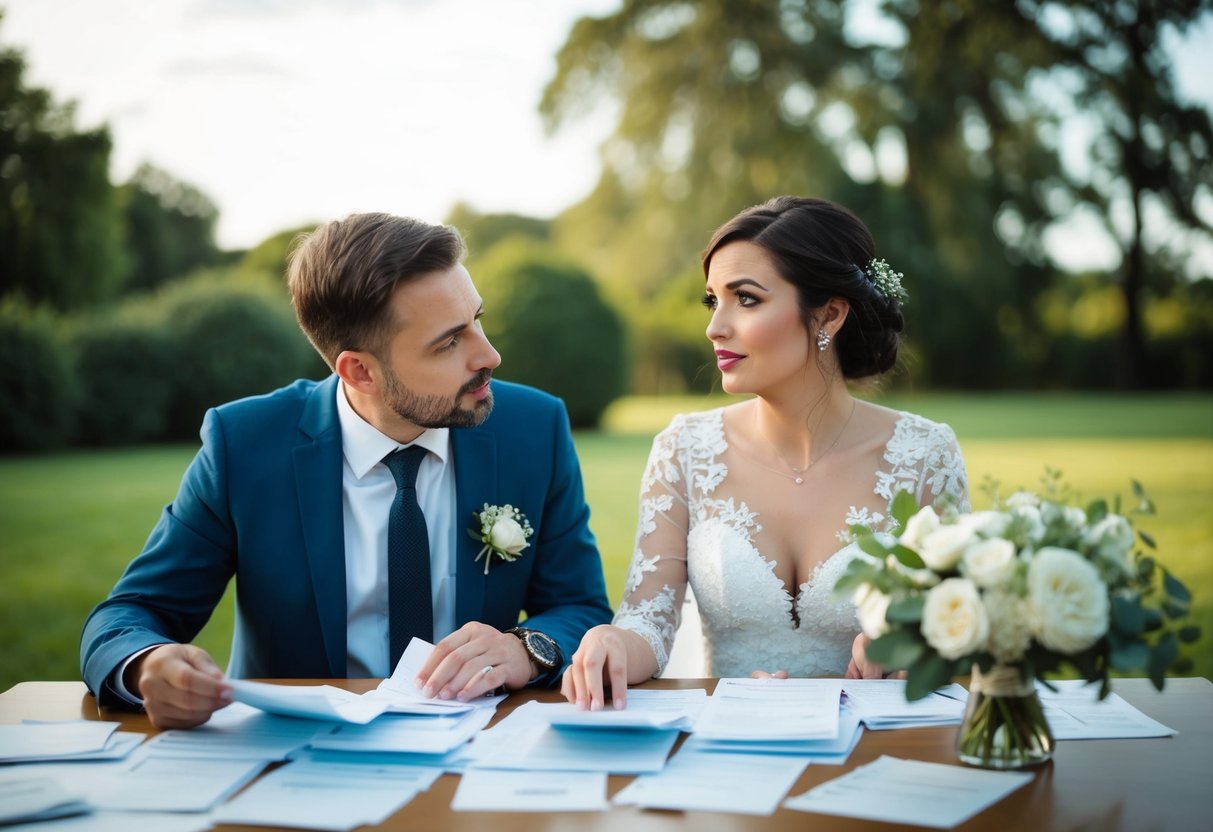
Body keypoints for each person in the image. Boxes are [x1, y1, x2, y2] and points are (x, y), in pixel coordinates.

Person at [81, 212, 612, 728]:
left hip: (484, 751)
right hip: (301, 760)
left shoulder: (534, 429)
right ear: (359, 370)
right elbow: (128, 615)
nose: (489, 355)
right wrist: (148, 665)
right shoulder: (245, 446)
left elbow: (580, 605)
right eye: (449, 342)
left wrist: (526, 649)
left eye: (477, 319)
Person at [562, 196, 969, 710]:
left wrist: (914, 651)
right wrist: (614, 642)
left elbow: (959, 633)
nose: (715, 327)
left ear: (830, 314)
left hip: (877, 751)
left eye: (746, 299)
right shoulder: (683, 450)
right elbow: (650, 621)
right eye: (713, 301)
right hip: (729, 748)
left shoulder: (925, 455)